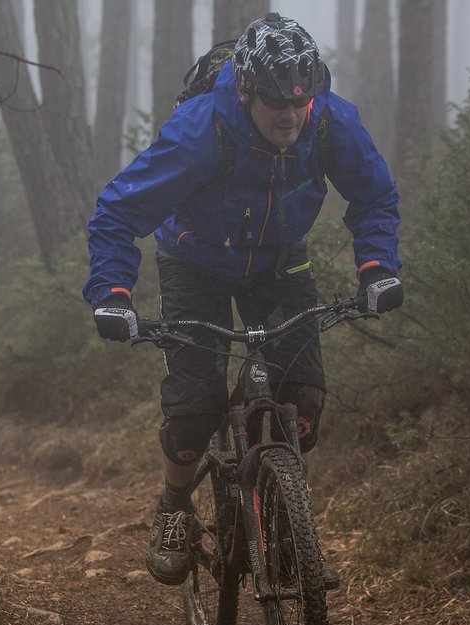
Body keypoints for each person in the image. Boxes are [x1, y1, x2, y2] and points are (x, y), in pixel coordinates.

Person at [84, 14, 403, 586]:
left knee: (301, 403)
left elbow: (374, 195)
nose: (291, 116)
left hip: (281, 261)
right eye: (277, 103)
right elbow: (117, 210)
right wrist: (112, 293)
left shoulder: (329, 123)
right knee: (192, 413)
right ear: (245, 91)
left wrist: (377, 268)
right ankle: (175, 507)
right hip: (194, 261)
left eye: (301, 102)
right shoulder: (202, 128)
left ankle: (284, 524)